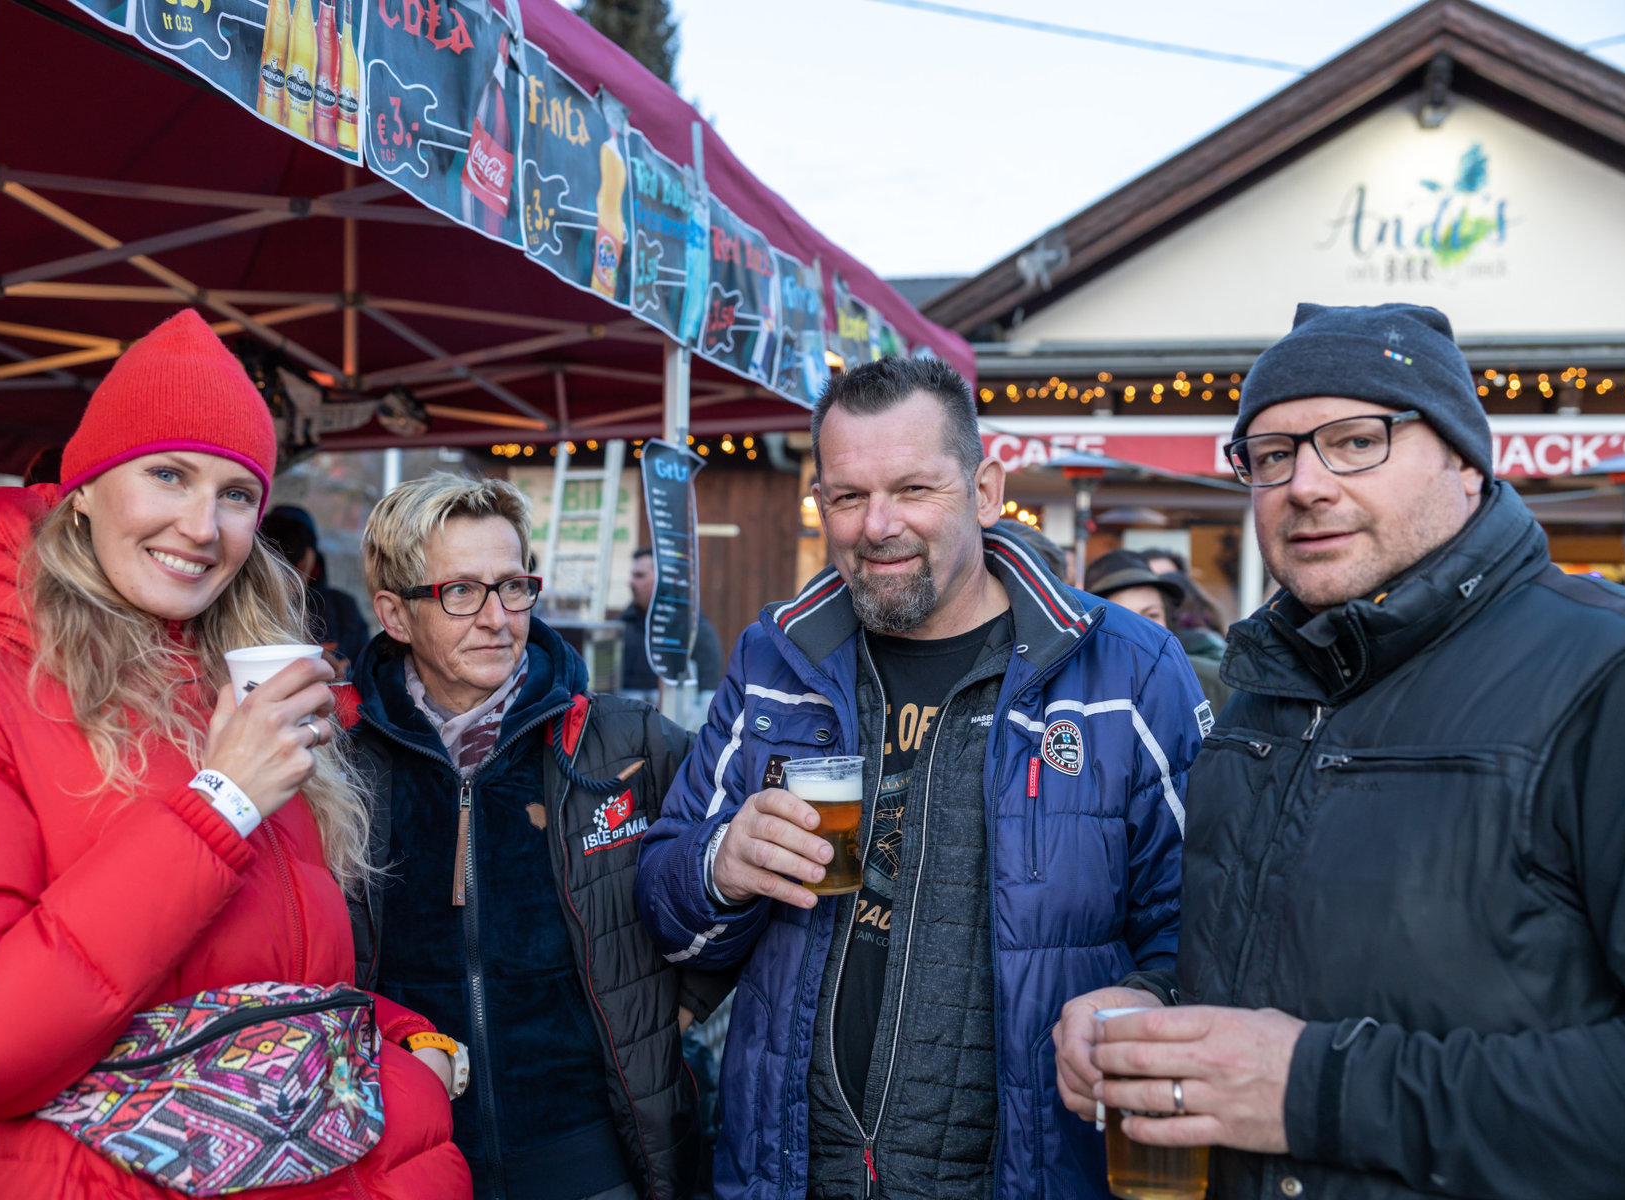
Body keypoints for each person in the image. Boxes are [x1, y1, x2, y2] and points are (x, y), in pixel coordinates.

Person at [0, 310, 469, 1199]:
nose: (201, 525)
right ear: (87, 487)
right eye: (168, 473)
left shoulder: (228, 680)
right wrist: (219, 804)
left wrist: (402, 1043)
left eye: (235, 494)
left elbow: (244, 990)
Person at [1056, 302, 1625, 1199]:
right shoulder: (1268, 684)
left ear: (1464, 461)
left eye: (1358, 440)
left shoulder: (1613, 675)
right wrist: (1157, 1003)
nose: (1305, 484)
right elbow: (1269, 952)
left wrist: (1313, 1090)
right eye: (1272, 454)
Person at [635, 356, 1207, 1199]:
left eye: (913, 489)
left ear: (983, 490)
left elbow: (1203, 928)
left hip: (1026, 1173)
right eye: (847, 497)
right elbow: (663, 902)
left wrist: (1143, 998)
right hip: (794, 1171)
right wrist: (720, 865)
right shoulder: (777, 657)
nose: (877, 525)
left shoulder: (1126, 669)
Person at [341, 474, 734, 1200]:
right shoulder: (341, 764)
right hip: (408, 1145)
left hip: (588, 1147)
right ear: (394, 614)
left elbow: (731, 868)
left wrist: (673, 1014)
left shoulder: (625, 743)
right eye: (461, 591)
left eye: (513, 586)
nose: (497, 618)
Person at [1086, 549, 1231, 711]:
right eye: (1123, 618)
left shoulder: (1215, 686)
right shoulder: (1076, 695)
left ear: (1168, 620)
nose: (1141, 629)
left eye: (1152, 615)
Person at [260, 504, 372, 678]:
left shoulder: (343, 609)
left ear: (311, 556)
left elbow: (368, 672)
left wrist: (346, 675)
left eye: (294, 553)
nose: (289, 573)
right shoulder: (242, 610)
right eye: (275, 553)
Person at [620, 545, 724, 694]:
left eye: (640, 575)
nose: (631, 582)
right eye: (632, 575)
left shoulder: (694, 630)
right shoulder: (623, 625)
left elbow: (707, 692)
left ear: (663, 578)